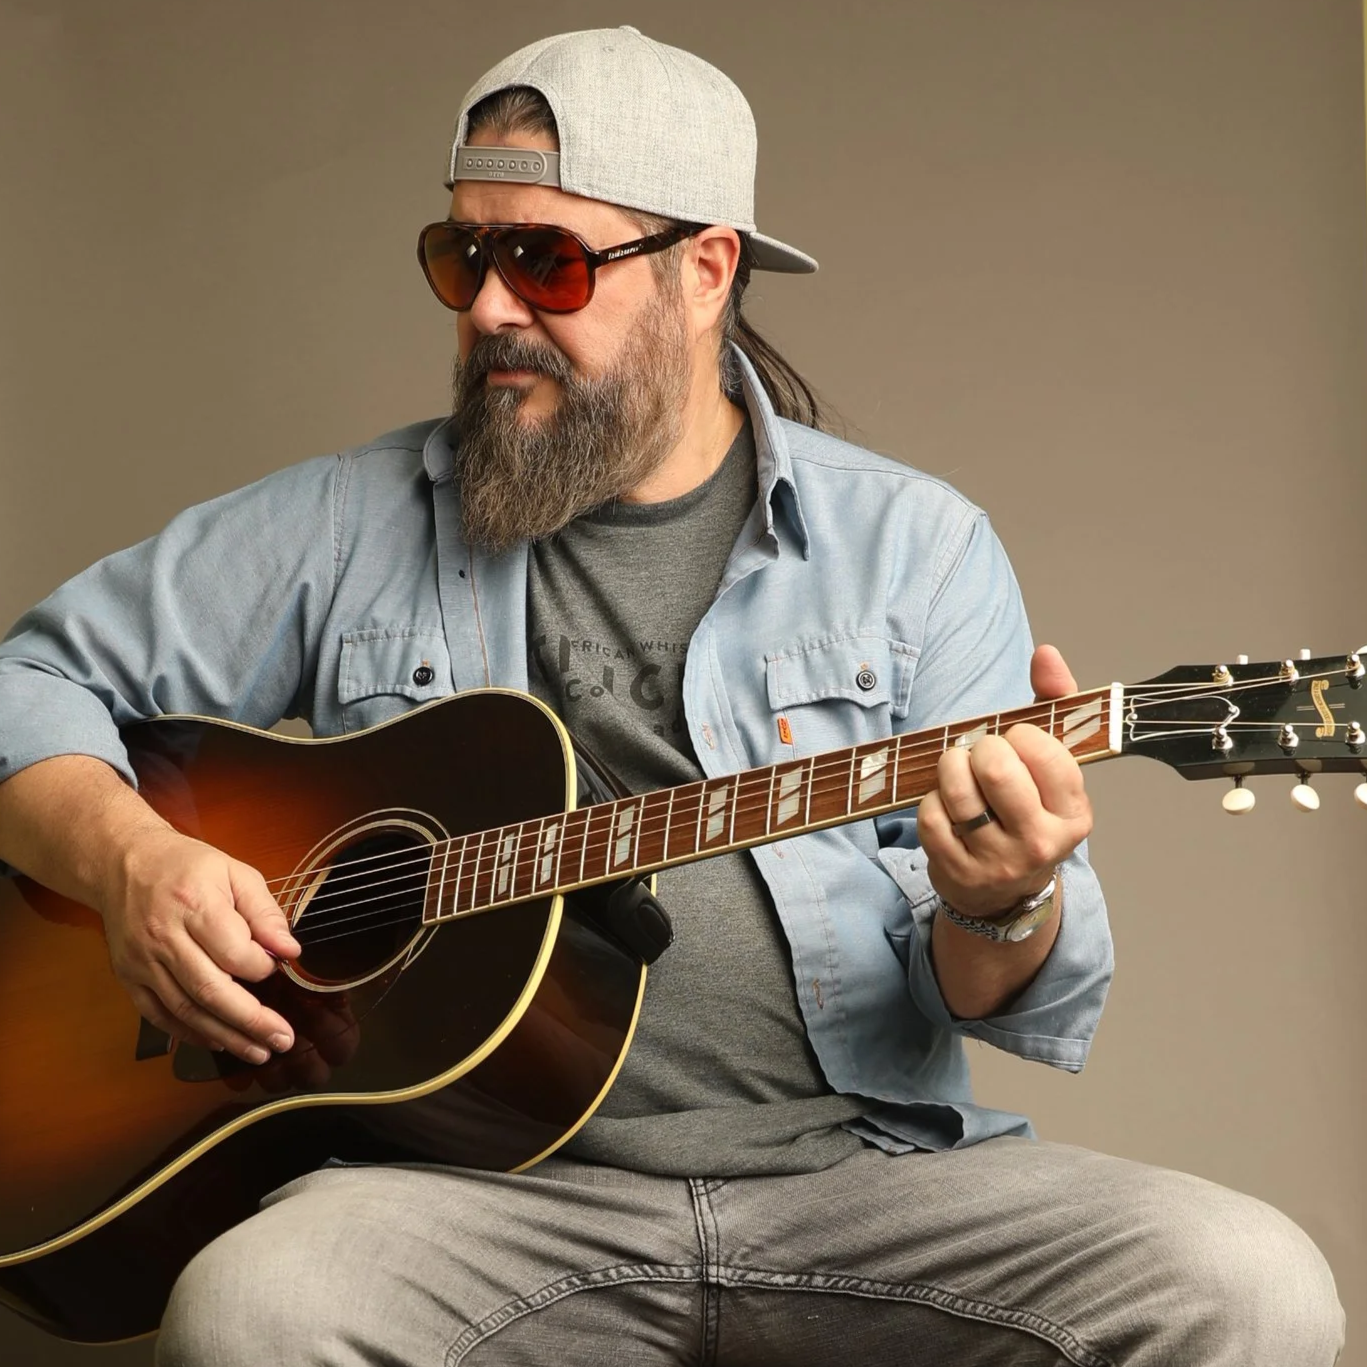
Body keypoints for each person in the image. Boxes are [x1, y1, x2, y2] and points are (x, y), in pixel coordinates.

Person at [0, 25, 1344, 1367]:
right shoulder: (345, 521)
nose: (486, 309)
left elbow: (1000, 990)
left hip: (860, 1186)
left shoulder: (915, 548)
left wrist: (1002, 895)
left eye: (547, 260)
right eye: (462, 256)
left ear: (704, 270)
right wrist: (134, 863)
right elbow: (24, 681)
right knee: (254, 1311)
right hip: (470, 1199)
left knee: (1250, 1286)